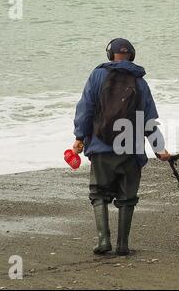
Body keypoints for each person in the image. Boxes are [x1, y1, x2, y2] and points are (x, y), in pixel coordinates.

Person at [73, 38, 170, 256]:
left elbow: (85, 108)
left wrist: (79, 137)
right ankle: (123, 245)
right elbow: (149, 119)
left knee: (98, 193)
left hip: (101, 146)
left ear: (110, 55)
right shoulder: (140, 82)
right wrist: (159, 148)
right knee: (127, 198)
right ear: (132, 55)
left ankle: (103, 241)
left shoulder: (97, 76)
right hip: (131, 148)